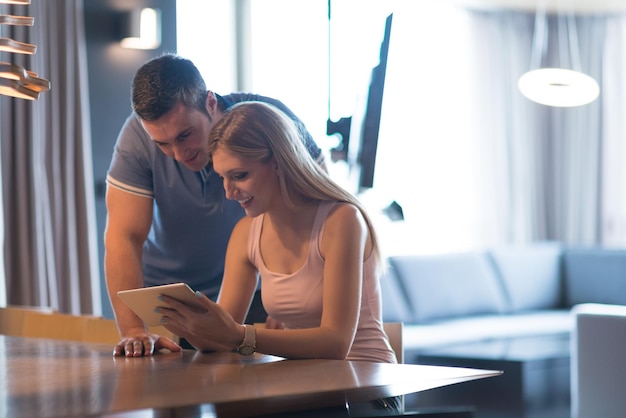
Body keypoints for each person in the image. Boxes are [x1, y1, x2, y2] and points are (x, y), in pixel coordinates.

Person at [150, 101, 400, 415]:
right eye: (222, 178)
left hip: (368, 391)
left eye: (240, 175)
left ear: (280, 162)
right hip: (308, 387)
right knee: (232, 409)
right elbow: (222, 336)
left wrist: (242, 335)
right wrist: (182, 330)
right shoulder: (246, 232)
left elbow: (335, 345)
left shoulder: (342, 220)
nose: (229, 192)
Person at [106, 54, 325, 357]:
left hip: (260, 287)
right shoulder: (137, 139)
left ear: (210, 103)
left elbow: (320, 203)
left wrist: (294, 290)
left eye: (185, 135)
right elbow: (123, 238)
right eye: (163, 145)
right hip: (175, 298)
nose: (179, 154)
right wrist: (133, 331)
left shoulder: (267, 121)